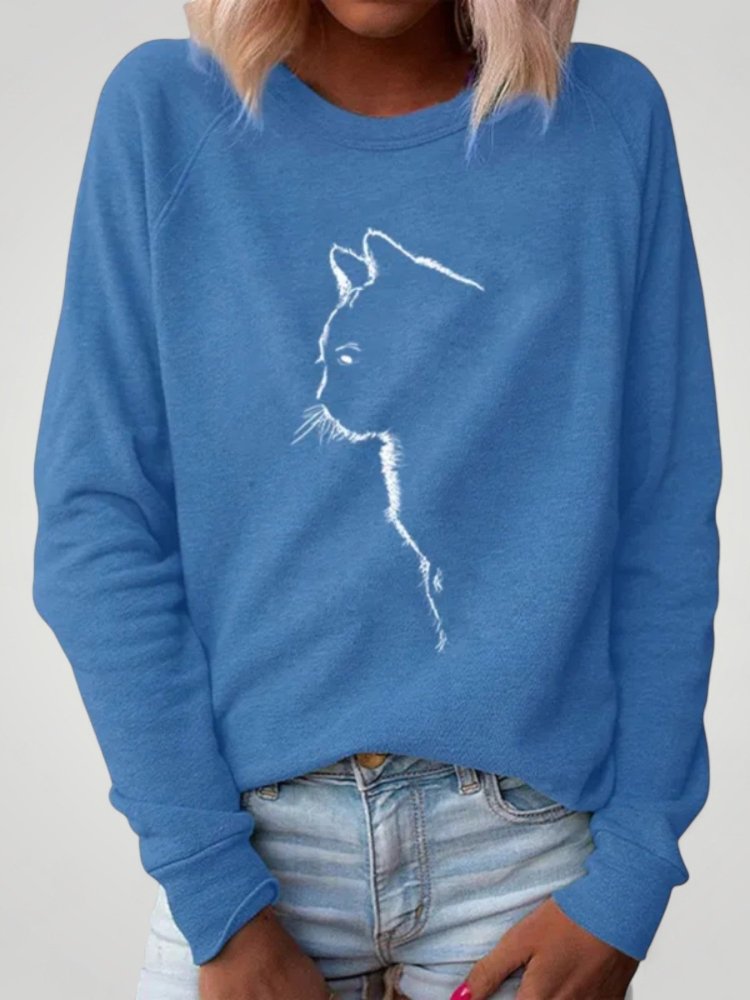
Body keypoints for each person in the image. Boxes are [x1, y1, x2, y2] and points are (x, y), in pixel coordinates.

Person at [31, 1, 722, 998]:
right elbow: (95, 523)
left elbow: (664, 522)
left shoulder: (608, 119)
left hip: (524, 861)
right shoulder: (167, 111)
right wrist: (215, 897)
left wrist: (632, 880)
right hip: (253, 858)